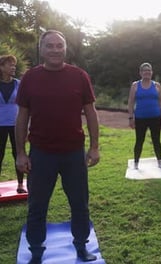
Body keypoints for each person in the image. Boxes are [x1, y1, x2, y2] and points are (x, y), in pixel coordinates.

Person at [15, 30, 100, 263]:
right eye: (50, 46)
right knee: (37, 206)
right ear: (41, 49)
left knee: (80, 204)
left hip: (74, 154)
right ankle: (36, 251)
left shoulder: (79, 76)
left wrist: (94, 147)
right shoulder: (29, 79)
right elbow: (22, 117)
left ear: (65, 49)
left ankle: (81, 246)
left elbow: (91, 114)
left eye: (59, 46)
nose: (55, 49)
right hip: (41, 154)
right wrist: (21, 153)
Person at [127, 62, 161, 169]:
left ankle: (159, 161)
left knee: (156, 140)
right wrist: (131, 118)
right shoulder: (135, 85)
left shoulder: (157, 85)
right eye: (144, 71)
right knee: (139, 141)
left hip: (155, 117)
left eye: (149, 71)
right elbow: (130, 102)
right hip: (140, 118)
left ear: (152, 73)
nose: (147, 73)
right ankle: (136, 163)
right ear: (140, 73)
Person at [0, 54, 26, 195]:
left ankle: (21, 184)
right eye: (10, 64)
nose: (13, 67)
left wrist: (27, 127)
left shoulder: (18, 83)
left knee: (19, 154)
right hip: (0, 125)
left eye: (14, 64)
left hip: (17, 125)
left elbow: (25, 106)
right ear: (1, 67)